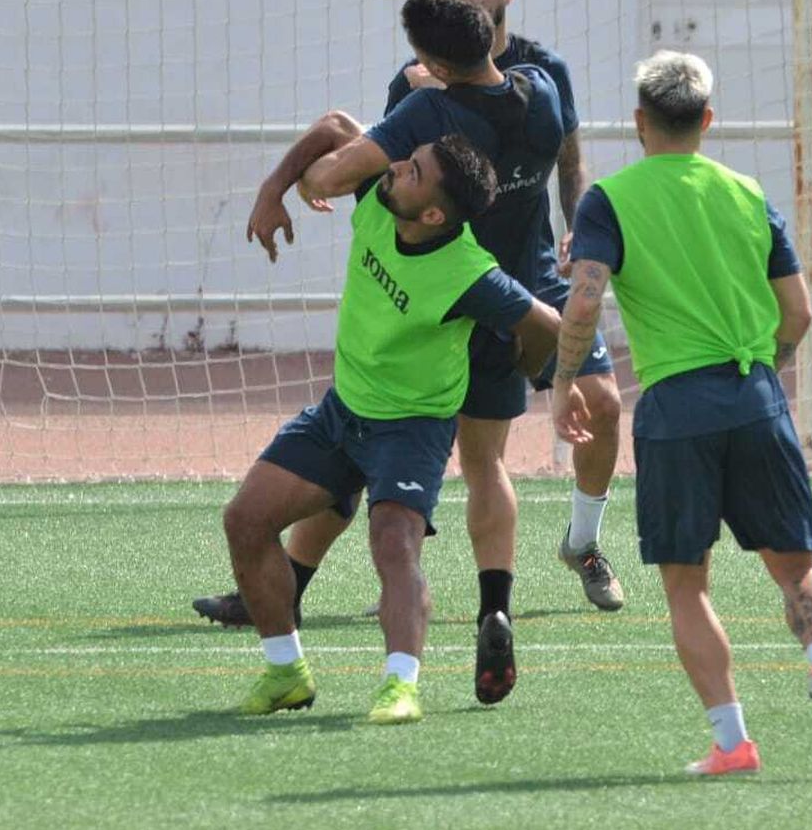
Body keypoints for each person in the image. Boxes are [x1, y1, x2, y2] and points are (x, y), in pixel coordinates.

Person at [195, 0, 625, 636]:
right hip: (448, 289)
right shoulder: (530, 91)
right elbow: (388, 156)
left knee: (586, 410)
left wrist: (289, 182)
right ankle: (461, 601)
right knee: (437, 448)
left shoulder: (480, 91)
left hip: (519, 278)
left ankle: (581, 541)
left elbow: (340, 162)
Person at [551, 50, 812, 774]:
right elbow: (797, 311)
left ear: (640, 122)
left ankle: (733, 741)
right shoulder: (747, 193)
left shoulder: (610, 200)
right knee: (797, 569)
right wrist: (762, 375)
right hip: (757, 398)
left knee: (686, 583)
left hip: (677, 408)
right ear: (707, 120)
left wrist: (562, 383)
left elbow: (583, 300)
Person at [230, 127, 569, 724]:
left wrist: (530, 368)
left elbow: (545, 325)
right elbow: (336, 126)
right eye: (407, 160)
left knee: (393, 542)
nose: (394, 170)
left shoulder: (469, 273)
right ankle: (286, 671)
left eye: (411, 171)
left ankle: (400, 686)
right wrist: (271, 189)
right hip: (343, 410)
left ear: (434, 213)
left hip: (412, 429)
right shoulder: (376, 199)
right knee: (245, 520)